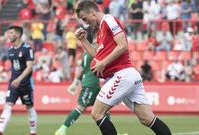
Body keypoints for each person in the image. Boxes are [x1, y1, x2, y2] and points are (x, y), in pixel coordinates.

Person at [74, 1, 172, 135]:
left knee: (97, 113)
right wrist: (83, 41)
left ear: (93, 13)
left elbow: (123, 45)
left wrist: (103, 64)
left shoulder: (108, 20)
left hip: (122, 75)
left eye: (85, 19)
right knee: (147, 118)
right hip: (126, 76)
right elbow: (98, 57)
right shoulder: (101, 31)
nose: (85, 23)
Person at [0, 25, 37, 135]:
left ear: (18, 34)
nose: (9, 35)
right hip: (13, 83)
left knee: (29, 107)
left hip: (25, 84)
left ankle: (33, 133)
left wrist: (19, 79)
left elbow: (29, 67)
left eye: (11, 33)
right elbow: (15, 67)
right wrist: (13, 78)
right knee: (7, 105)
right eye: (8, 33)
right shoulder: (10, 50)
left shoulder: (27, 49)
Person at [55, 25, 101, 135]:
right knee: (81, 107)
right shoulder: (96, 49)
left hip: (93, 84)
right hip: (91, 84)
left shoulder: (86, 51)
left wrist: (75, 83)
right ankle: (62, 129)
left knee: (104, 109)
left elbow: (81, 68)